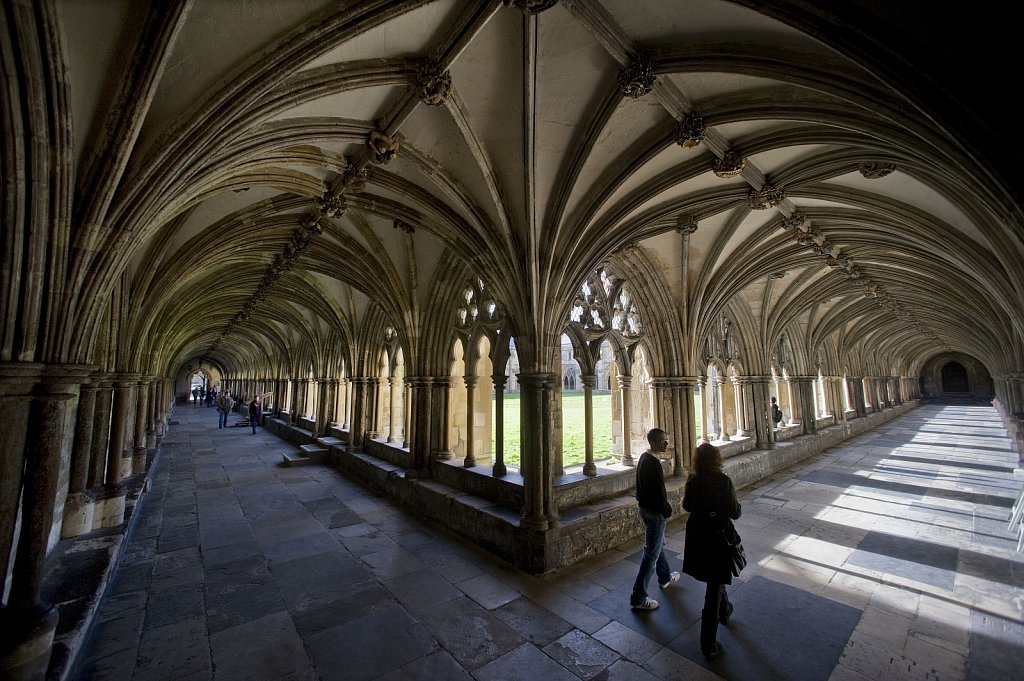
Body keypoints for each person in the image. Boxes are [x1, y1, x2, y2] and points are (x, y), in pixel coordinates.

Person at [682, 442, 742, 659]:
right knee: (713, 588)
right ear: (717, 459)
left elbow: (687, 506)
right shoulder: (723, 481)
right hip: (717, 538)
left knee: (715, 579)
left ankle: (725, 611)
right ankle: (708, 644)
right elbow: (735, 512)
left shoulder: (693, 480)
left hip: (699, 537)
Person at [629, 428, 679, 610]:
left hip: (644, 508)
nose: (667, 443)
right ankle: (638, 597)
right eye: (663, 440)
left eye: (667, 440)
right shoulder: (653, 463)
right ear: (655, 442)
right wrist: (666, 510)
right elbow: (658, 493)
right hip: (654, 512)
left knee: (658, 546)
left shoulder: (645, 457)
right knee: (651, 554)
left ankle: (665, 577)